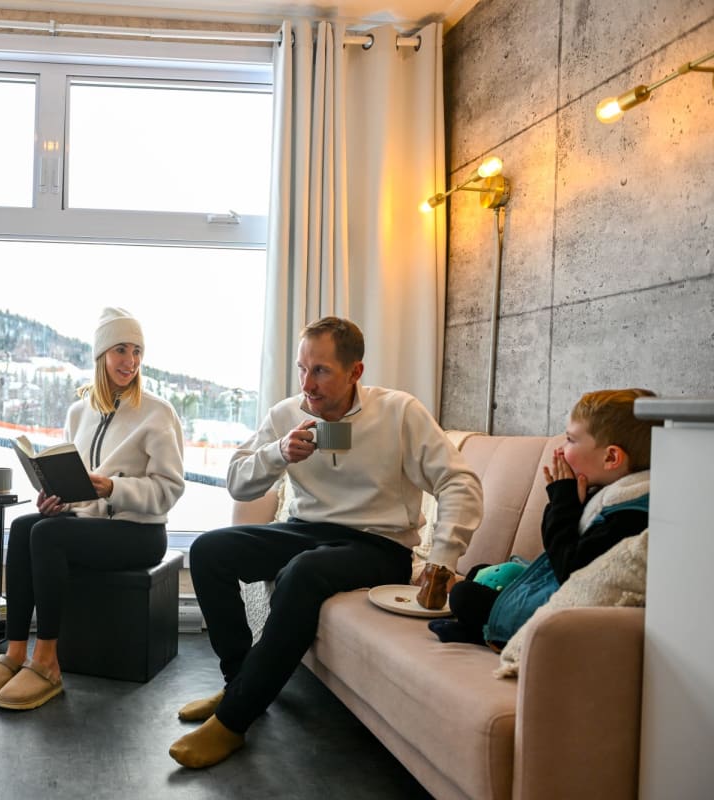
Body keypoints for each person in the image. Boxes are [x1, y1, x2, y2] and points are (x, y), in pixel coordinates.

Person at [169, 316, 483, 769]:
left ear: (355, 372)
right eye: (302, 369)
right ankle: (240, 682)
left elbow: (459, 482)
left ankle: (234, 720)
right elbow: (237, 482)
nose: (307, 384)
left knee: (303, 572)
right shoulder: (288, 413)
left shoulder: (399, 412)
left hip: (380, 544)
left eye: (321, 371)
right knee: (209, 550)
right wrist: (279, 453)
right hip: (308, 529)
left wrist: (441, 559)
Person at [0, 307, 185, 711]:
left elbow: (169, 489)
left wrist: (114, 487)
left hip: (140, 534)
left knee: (48, 535)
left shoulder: (158, 412)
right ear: (101, 355)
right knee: (25, 526)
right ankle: (15, 654)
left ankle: (47, 662)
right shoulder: (79, 412)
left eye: (137, 351)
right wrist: (57, 499)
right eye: (121, 350)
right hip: (90, 524)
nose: (131, 361)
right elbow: (79, 489)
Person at [430, 388, 654, 648]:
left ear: (611, 457)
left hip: (567, 611)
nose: (561, 448)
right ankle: (479, 626)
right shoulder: (613, 494)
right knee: (478, 572)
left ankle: (485, 632)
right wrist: (569, 502)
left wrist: (563, 501)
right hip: (559, 587)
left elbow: (569, 570)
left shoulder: (629, 515)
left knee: (463, 595)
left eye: (570, 439)